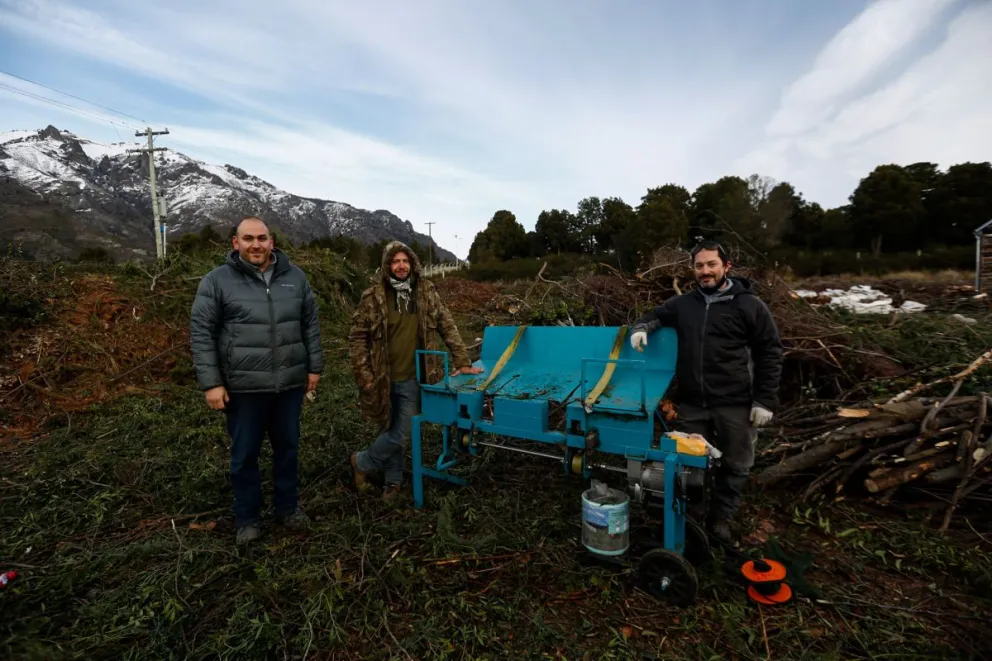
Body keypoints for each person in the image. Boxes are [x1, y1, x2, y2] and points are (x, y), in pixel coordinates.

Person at [629, 240, 783, 544]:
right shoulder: (684, 304)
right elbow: (654, 315)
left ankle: (721, 518)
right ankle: (692, 517)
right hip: (693, 404)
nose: (705, 271)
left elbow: (771, 352)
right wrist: (640, 328)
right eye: (699, 266)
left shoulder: (749, 305)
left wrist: (764, 400)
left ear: (726, 267)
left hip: (735, 403)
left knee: (736, 464)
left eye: (711, 264)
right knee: (687, 466)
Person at [189, 216, 323, 545]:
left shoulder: (296, 278)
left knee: (288, 450)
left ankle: (287, 508)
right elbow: (201, 334)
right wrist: (211, 383)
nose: (256, 245)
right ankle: (247, 518)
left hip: (289, 385)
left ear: (271, 241)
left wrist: (314, 368)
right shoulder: (217, 281)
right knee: (244, 456)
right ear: (236, 243)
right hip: (244, 387)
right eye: (248, 238)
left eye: (261, 238)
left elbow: (310, 325)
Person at [348, 241, 482, 501]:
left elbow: (447, 324)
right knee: (389, 429)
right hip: (382, 378)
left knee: (402, 433)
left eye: (405, 261)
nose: (401, 266)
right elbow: (356, 338)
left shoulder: (425, 291)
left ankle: (361, 462)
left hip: (413, 377)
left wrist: (462, 360)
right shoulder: (372, 297)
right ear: (387, 265)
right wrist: (364, 377)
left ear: (412, 264)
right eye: (395, 261)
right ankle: (393, 482)